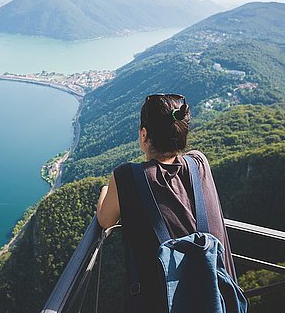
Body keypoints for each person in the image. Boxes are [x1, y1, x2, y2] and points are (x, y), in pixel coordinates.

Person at [96, 93, 237, 312]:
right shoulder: (199, 163)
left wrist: (105, 189)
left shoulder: (125, 177)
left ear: (144, 135)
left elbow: (105, 220)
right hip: (217, 299)